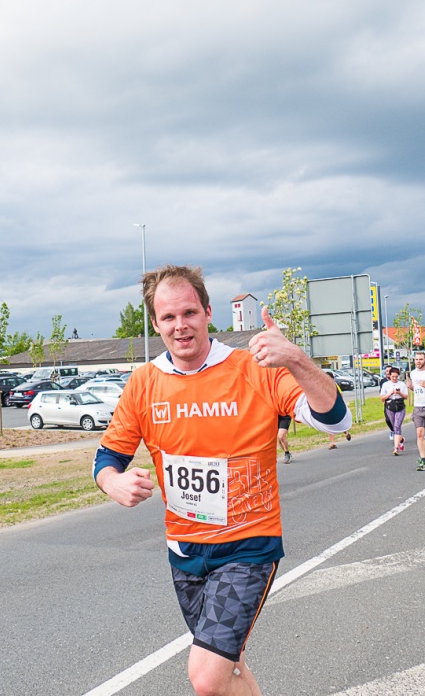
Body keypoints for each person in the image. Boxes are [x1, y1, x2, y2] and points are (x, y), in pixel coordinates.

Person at [93, 264, 351, 696]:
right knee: (229, 669)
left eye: (189, 312)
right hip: (185, 552)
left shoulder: (255, 368)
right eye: (169, 318)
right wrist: (112, 483)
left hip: (248, 546)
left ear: (208, 312)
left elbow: (335, 420)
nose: (181, 326)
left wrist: (295, 358)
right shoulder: (144, 382)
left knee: (208, 677)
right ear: (156, 324)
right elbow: (107, 457)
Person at [380, 366, 408, 455]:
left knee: (397, 426)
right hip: (390, 407)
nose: (395, 378)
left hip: (400, 406)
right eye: (393, 377)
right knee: (393, 426)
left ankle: (396, 448)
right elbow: (382, 398)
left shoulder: (402, 384)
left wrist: (399, 393)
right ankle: (401, 439)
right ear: (390, 376)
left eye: (396, 377)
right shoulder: (386, 385)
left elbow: (406, 396)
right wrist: (390, 393)